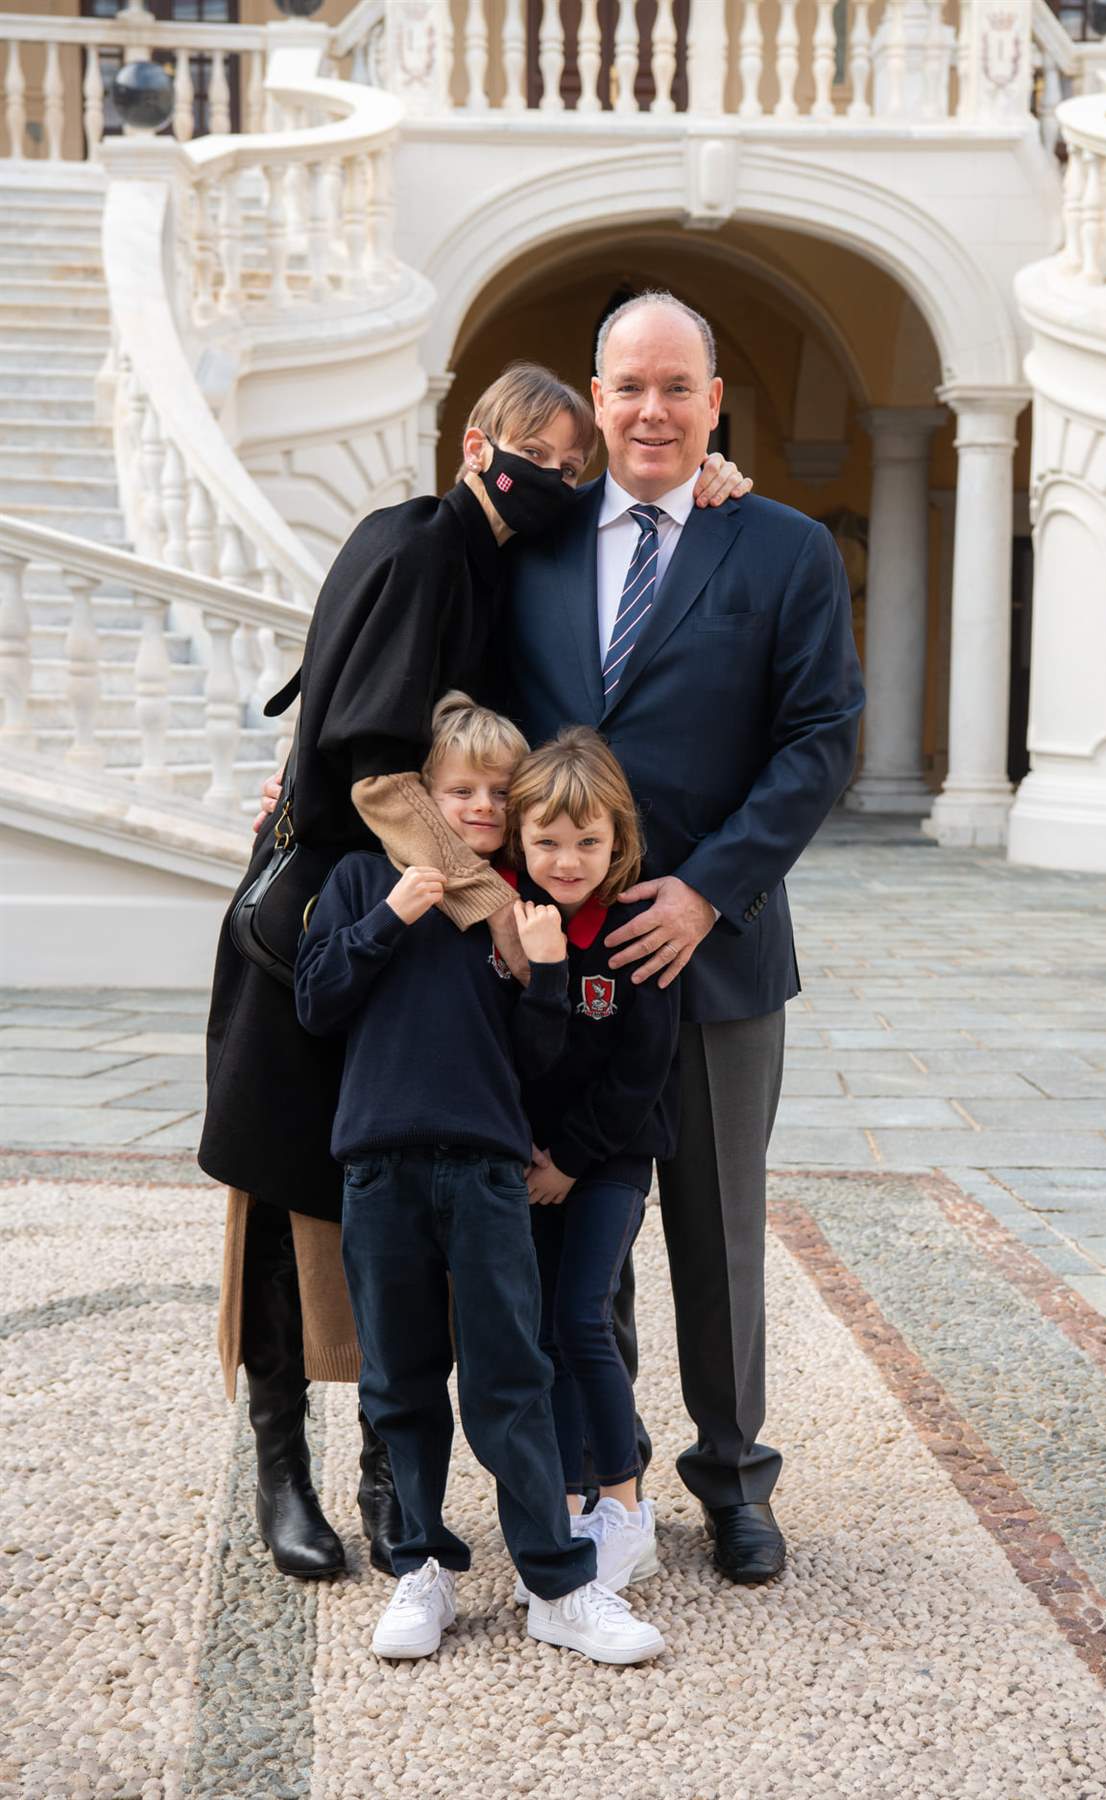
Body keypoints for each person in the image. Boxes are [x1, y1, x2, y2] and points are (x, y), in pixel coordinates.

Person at [202, 361, 750, 1582]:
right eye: (532, 455)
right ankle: (282, 1469)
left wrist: (708, 479)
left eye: (569, 464)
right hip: (341, 914)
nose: (551, 478)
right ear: (473, 444)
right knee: (287, 1194)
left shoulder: (494, 559)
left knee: (395, 1199)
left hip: (428, 927)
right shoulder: (416, 547)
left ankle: (389, 1477)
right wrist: (498, 910)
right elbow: (376, 772)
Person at [499, 292, 866, 1586]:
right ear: (595, 399)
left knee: (719, 1234)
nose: (651, 411)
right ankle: (607, 1476)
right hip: (559, 963)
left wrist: (708, 890)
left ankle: (735, 1479)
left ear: (714, 403)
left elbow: (820, 739)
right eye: (629, 386)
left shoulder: (781, 549)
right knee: (575, 1226)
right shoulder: (533, 547)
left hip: (717, 956)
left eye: (676, 387)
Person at [295, 694, 666, 1666]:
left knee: (512, 1378)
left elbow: (539, 1064)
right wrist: (388, 918)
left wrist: (546, 974)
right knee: (400, 1378)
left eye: (500, 792)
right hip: (378, 1163)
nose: (480, 807)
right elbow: (316, 1003)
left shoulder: (518, 912)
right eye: (460, 789)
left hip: (490, 1171)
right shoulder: (361, 878)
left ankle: (558, 1584)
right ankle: (421, 1565)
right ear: (426, 789)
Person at [502, 728, 679, 1602]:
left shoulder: (636, 931)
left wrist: (572, 1159)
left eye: (587, 842)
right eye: (546, 841)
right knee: (541, 1331)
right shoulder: (510, 927)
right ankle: (569, 1505)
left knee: (583, 1318)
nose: (566, 861)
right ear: (517, 838)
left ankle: (625, 1507)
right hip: (529, 1162)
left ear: (619, 842)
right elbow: (519, 1058)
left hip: (609, 1157)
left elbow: (644, 1069)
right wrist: (542, 971)